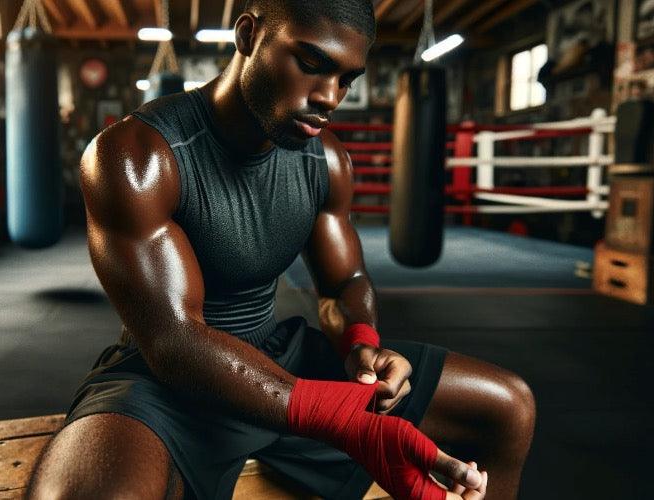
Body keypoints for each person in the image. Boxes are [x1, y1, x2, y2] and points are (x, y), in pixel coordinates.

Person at [29, 1, 535, 498]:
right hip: (167, 382)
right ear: (248, 35)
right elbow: (174, 340)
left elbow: (345, 283)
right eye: (313, 64)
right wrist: (333, 413)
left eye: (347, 79)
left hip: (282, 358)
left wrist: (361, 344)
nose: (331, 96)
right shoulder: (138, 155)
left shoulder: (327, 160)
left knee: (509, 406)